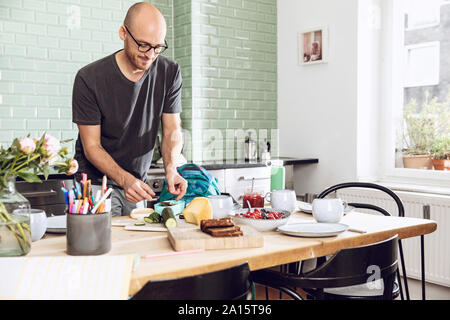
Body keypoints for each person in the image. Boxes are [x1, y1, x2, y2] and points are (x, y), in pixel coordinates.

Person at [72, 2, 187, 216]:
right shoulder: (89, 79)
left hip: (137, 183)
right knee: (104, 246)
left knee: (135, 243)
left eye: (157, 47)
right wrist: (125, 180)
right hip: (97, 184)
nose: (150, 54)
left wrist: (171, 169)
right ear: (123, 33)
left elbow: (172, 129)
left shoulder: (169, 72)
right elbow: (92, 146)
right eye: (143, 45)